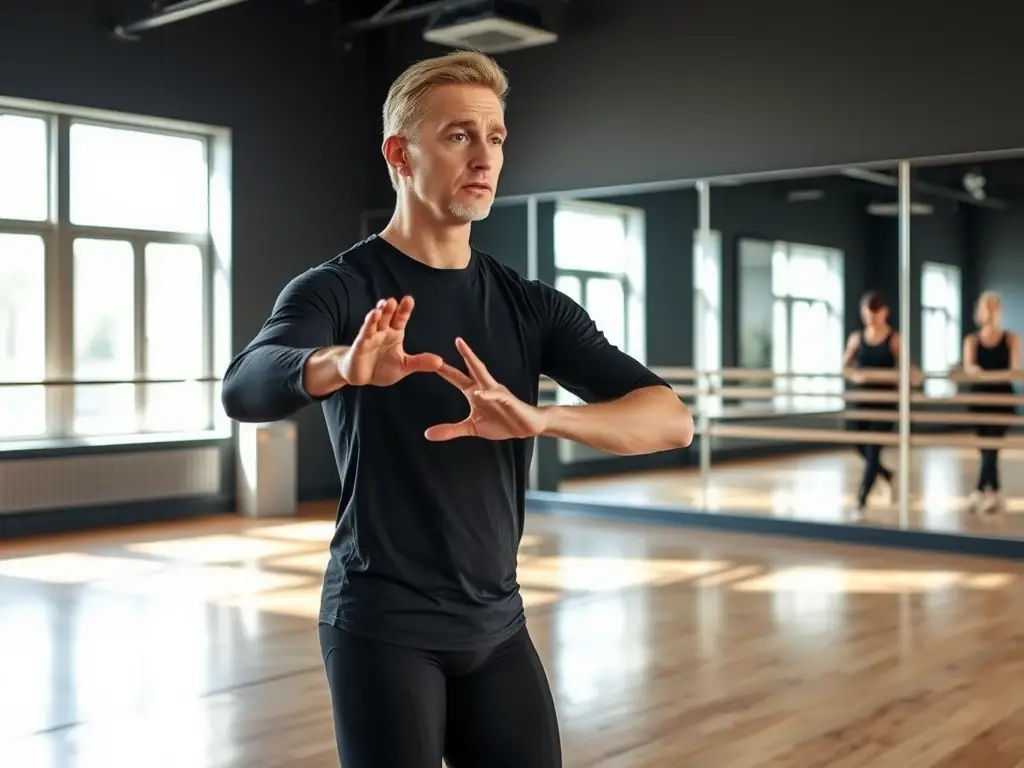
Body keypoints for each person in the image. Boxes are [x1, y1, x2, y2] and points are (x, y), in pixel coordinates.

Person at [220, 50, 694, 768]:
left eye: (496, 137)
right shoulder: (339, 290)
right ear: (399, 154)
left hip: (497, 624)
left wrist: (545, 419)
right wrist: (340, 365)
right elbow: (247, 383)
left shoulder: (530, 306)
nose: (484, 156)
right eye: (457, 135)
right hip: (381, 627)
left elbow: (668, 418)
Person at [842, 290, 901, 514]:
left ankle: (861, 500)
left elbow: (905, 366)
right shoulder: (856, 338)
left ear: (884, 312)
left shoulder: (895, 339)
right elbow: (845, 366)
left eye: (875, 314)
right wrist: (855, 375)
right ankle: (886, 475)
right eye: (867, 314)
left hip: (884, 404)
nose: (871, 319)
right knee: (859, 444)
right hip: (862, 402)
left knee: (873, 450)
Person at [962, 290, 1020, 514]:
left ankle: (979, 491)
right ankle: (995, 492)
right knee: (985, 447)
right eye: (987, 307)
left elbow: (1014, 370)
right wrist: (977, 371)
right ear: (980, 311)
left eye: (995, 308)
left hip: (1002, 400)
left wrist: (990, 374)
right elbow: (969, 367)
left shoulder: (1011, 338)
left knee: (993, 445)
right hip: (979, 400)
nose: (990, 312)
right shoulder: (971, 340)